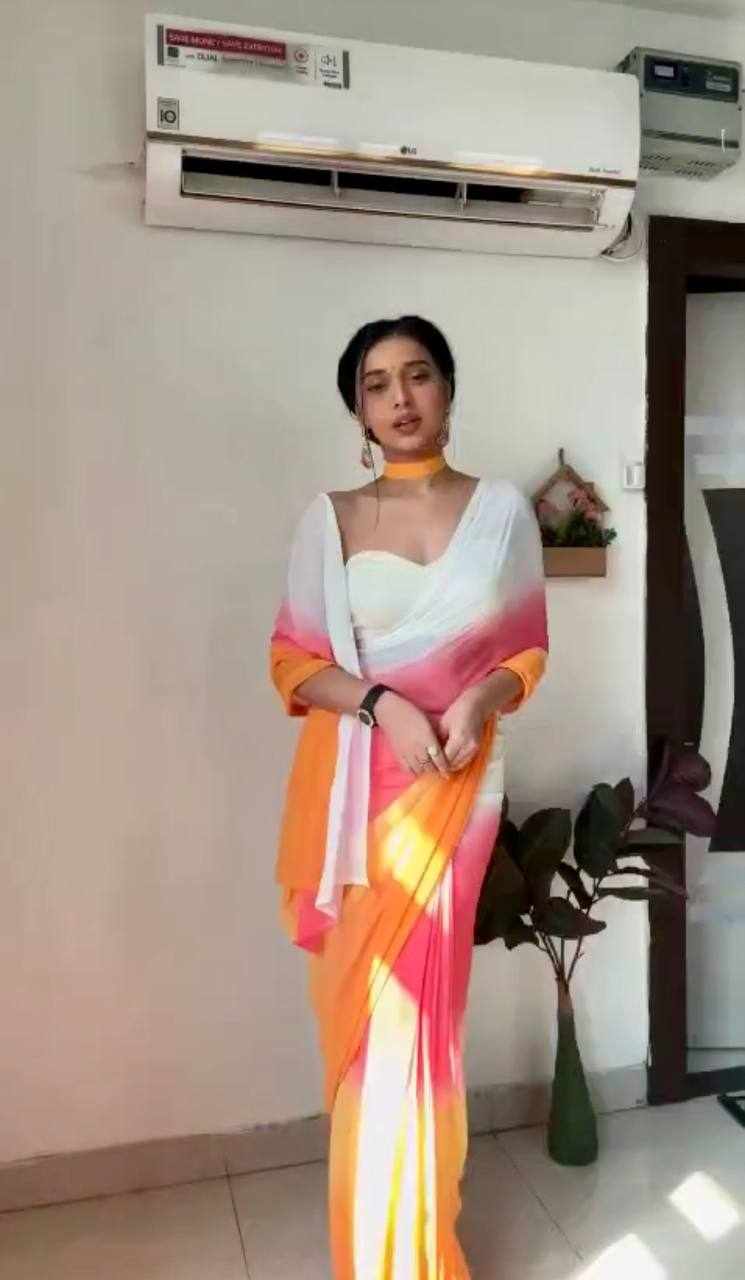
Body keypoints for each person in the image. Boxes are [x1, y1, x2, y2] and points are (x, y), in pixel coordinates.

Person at [270, 315, 548, 1278]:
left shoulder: (500, 513)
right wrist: (380, 703)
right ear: (357, 409)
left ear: (447, 389)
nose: (399, 398)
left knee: (427, 1019)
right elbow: (291, 662)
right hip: (359, 798)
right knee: (371, 1018)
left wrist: (478, 699)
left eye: (417, 375)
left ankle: (421, 1244)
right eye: (377, 383)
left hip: (458, 787)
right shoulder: (331, 520)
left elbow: (525, 649)